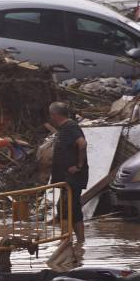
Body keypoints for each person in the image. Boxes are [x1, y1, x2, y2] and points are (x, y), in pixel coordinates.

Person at [49, 101, 88, 246]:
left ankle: (65, 240)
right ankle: (79, 242)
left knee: (65, 208)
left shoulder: (70, 127)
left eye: (51, 115)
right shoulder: (66, 127)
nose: (50, 118)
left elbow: (82, 144)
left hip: (73, 178)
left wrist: (78, 165)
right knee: (73, 208)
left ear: (55, 115)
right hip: (68, 178)